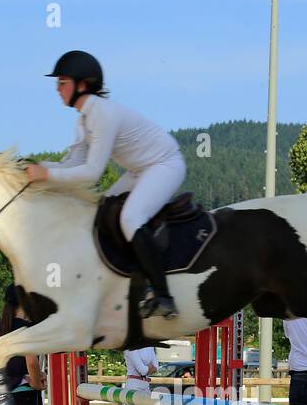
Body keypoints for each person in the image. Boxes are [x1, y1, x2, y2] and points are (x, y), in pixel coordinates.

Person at [24, 50, 186, 321]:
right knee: (101, 212)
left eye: (62, 82)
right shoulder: (83, 119)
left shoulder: (102, 114)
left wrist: (46, 176)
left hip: (164, 165)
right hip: (140, 170)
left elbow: (90, 174)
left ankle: (162, 295)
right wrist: (38, 167)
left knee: (131, 218)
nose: (57, 89)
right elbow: (71, 164)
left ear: (83, 85)